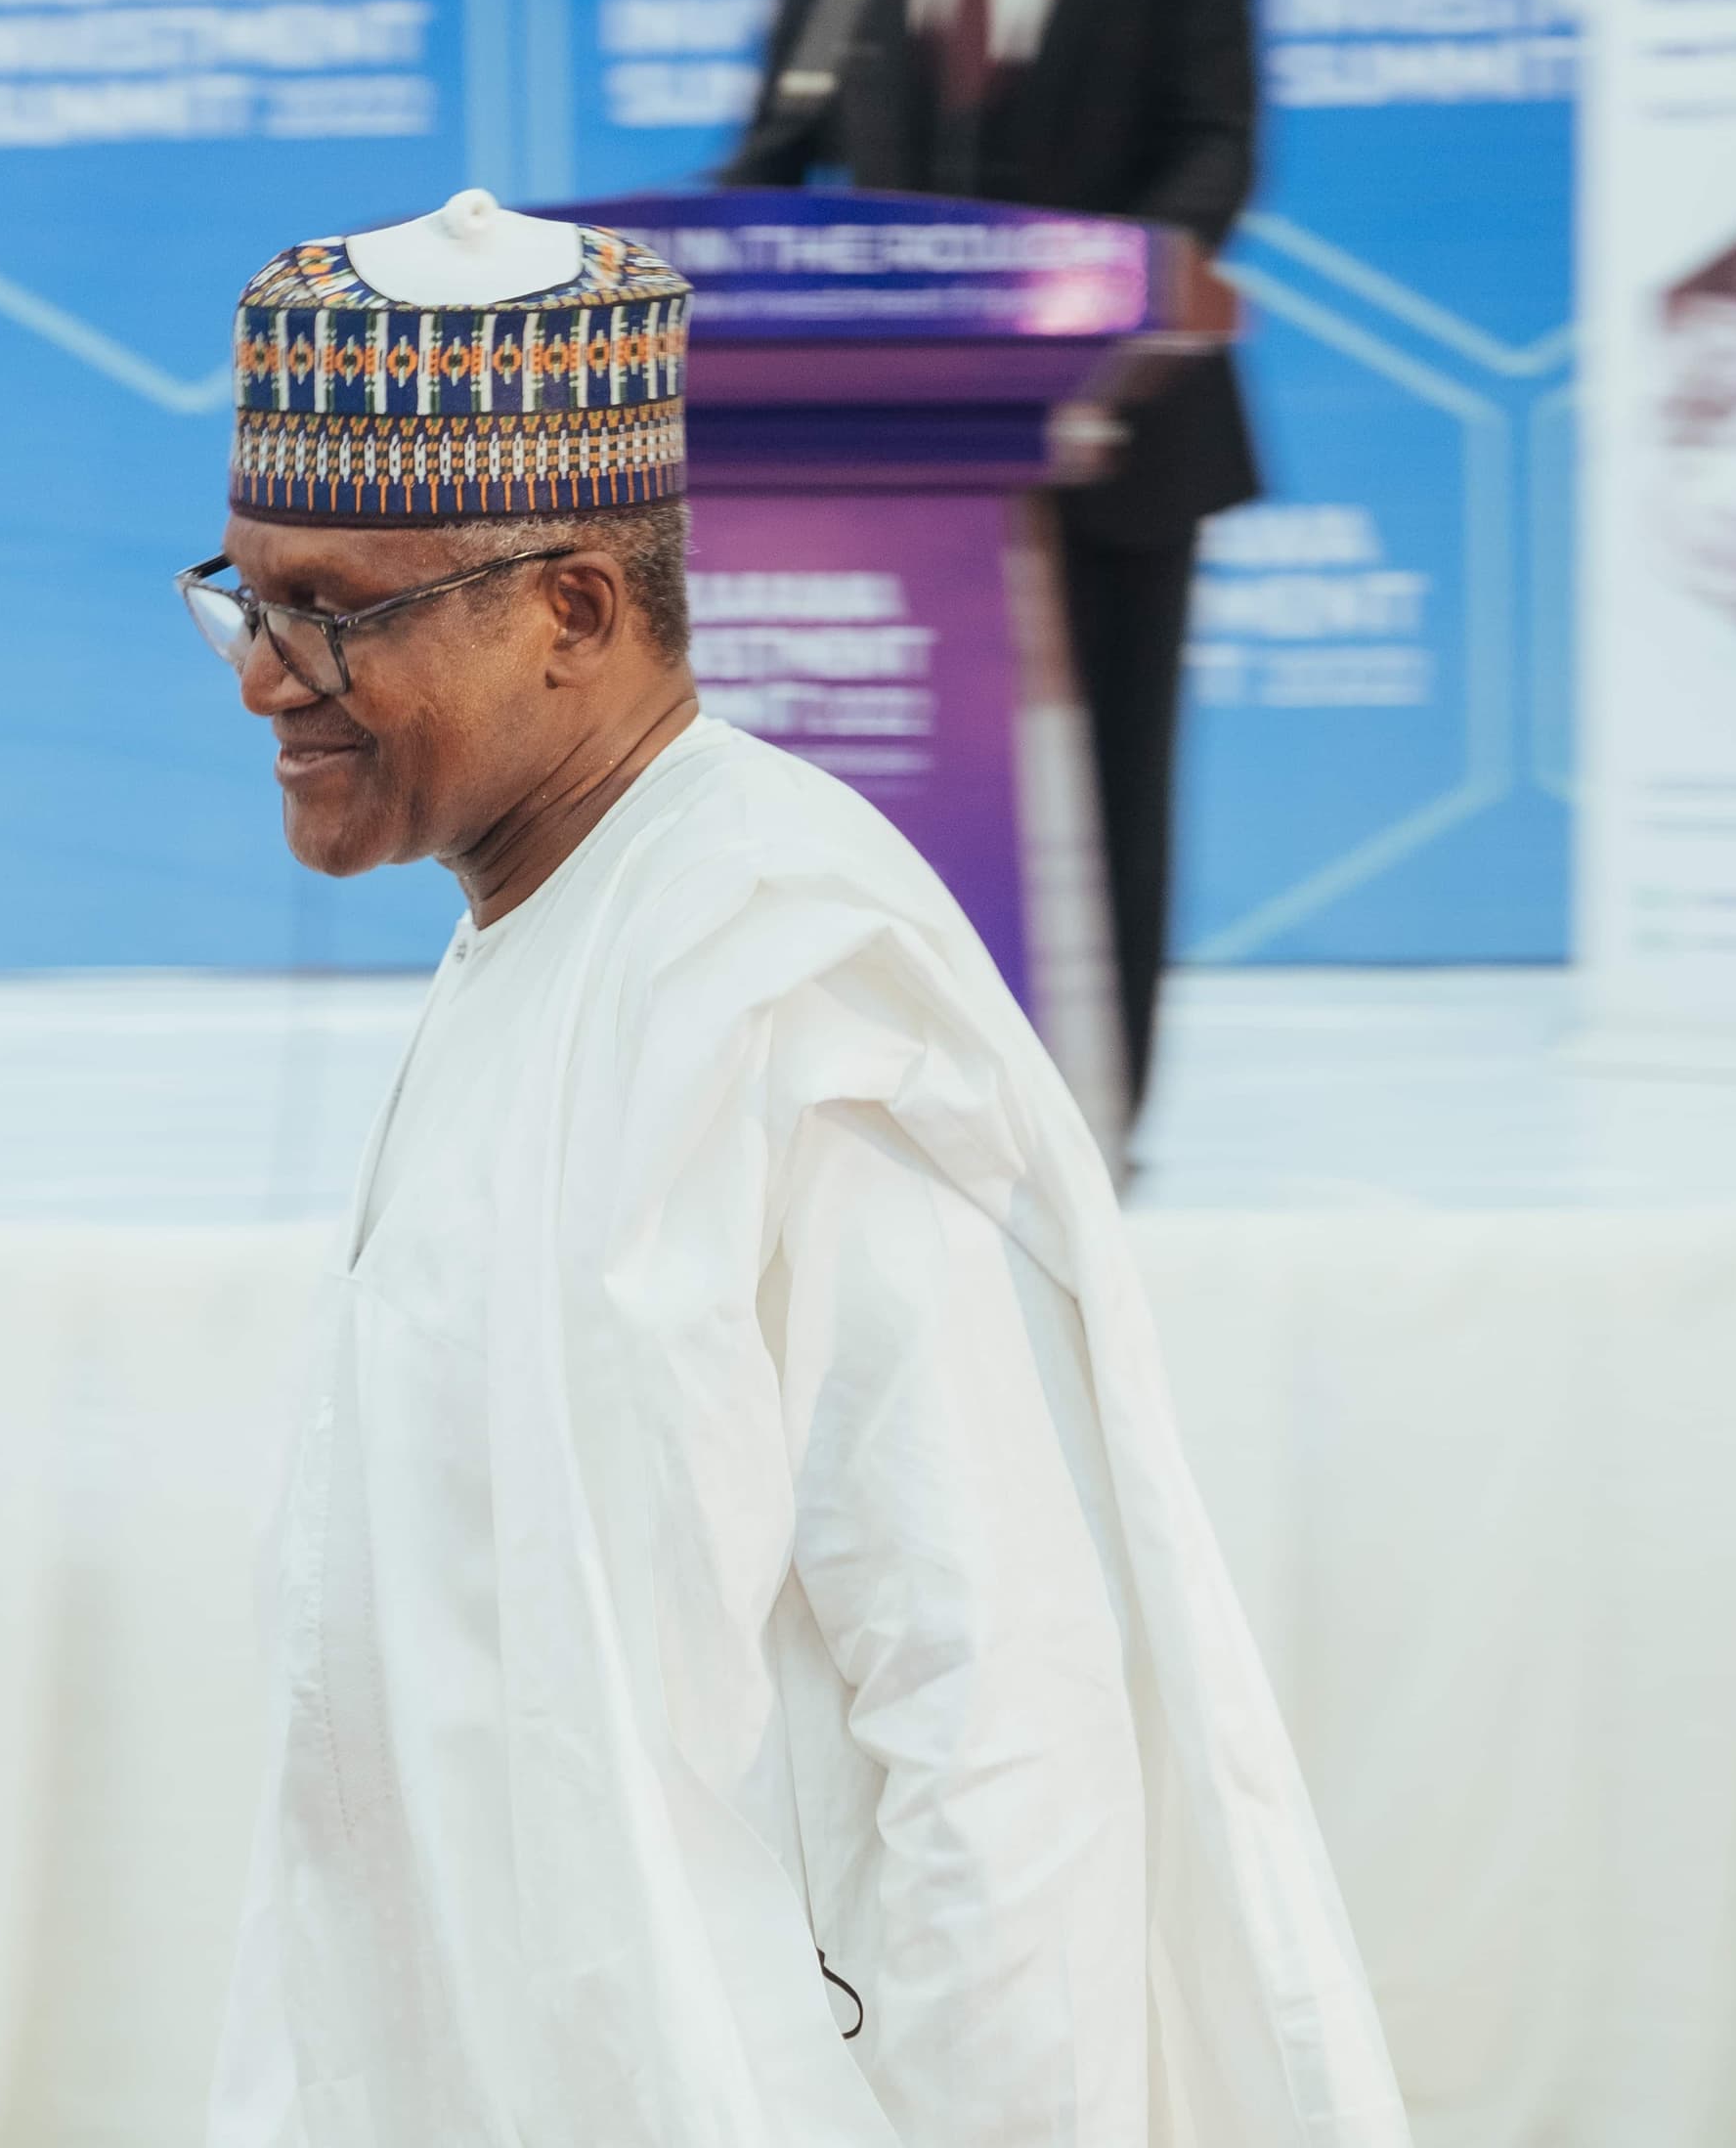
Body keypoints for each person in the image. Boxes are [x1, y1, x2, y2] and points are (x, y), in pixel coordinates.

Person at [188, 189, 1400, 2148]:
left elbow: (998, 1709)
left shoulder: (783, 973)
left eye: (335, 610)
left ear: (572, 608)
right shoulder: (551, 914)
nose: (262, 671)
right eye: (247, 597)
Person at [727, 0, 1256, 1111]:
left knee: (1114, 791)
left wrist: (1119, 293)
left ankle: (1104, 1126)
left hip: (1122, 423)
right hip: (889, 452)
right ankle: (883, 1102)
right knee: (882, 802)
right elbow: (781, 147)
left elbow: (1218, 137)